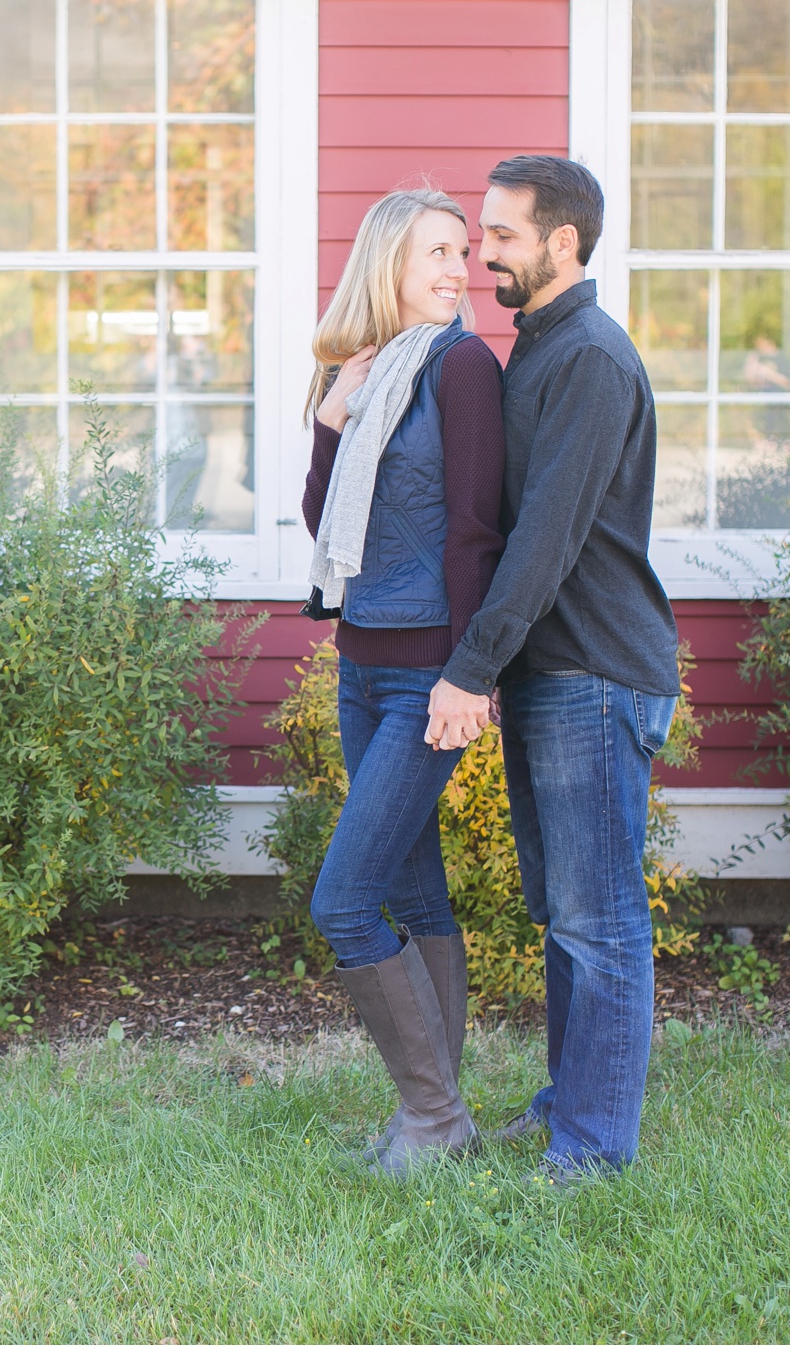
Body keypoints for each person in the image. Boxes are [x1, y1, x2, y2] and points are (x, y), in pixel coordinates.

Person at [423, 155, 682, 1183]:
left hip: (594, 668)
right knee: (565, 913)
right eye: (481, 234)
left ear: (562, 241)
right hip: (552, 668)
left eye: (502, 235)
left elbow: (544, 538)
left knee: (599, 919)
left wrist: (466, 666)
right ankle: (568, 1106)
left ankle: (590, 1150)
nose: (484, 251)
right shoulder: (537, 348)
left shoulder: (587, 359)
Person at [302, 187, 506, 1174]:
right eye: (432, 252)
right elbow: (322, 520)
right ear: (386, 262)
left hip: (427, 674)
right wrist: (334, 413)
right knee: (415, 894)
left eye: (459, 253)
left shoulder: (461, 367)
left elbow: (475, 528)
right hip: (361, 666)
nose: (452, 270)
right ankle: (438, 1118)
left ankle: (431, 1117)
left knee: (344, 900)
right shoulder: (372, 372)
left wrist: (469, 675)